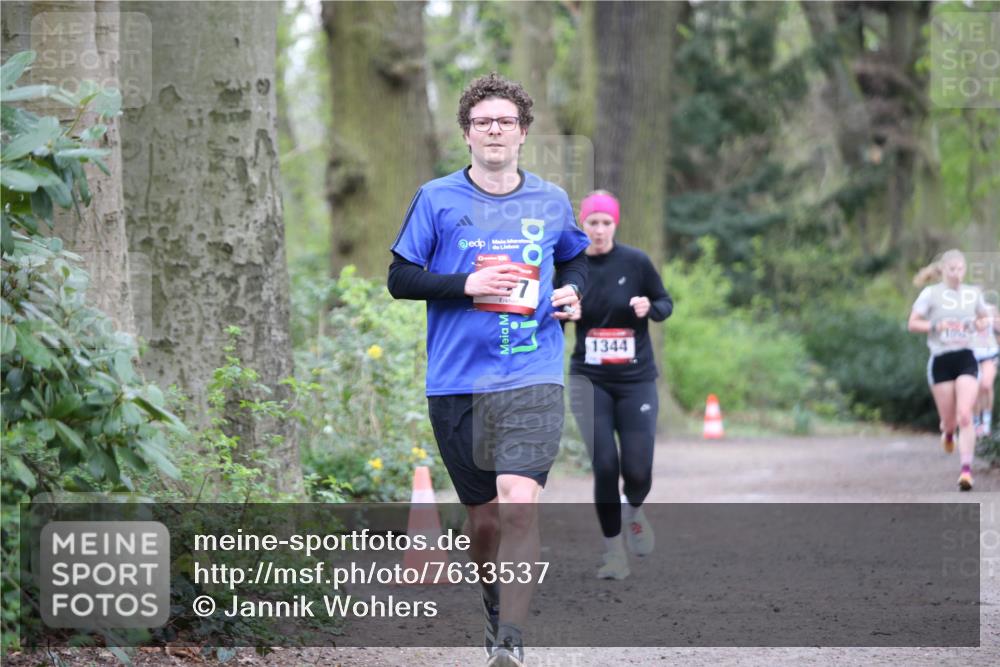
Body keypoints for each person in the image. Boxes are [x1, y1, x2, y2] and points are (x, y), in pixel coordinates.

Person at [387, 72, 589, 667]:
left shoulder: (550, 200)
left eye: (505, 121)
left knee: (519, 501)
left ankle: (513, 640)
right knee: (486, 520)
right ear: (467, 134)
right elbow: (400, 279)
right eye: (482, 122)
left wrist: (574, 294)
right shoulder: (436, 198)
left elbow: (576, 261)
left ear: (523, 133)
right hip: (457, 381)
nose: (494, 130)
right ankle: (494, 604)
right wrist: (467, 284)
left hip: (532, 371)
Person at [566, 190, 672, 579]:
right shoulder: (572, 266)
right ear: (583, 223)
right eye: (592, 222)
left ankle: (635, 509)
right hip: (590, 379)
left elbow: (665, 302)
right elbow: (552, 316)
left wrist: (650, 308)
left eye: (605, 223)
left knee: (638, 470)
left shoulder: (636, 262)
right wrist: (567, 312)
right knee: (605, 466)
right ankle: (614, 554)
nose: (598, 230)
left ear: (616, 224)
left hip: (636, 379)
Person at [908, 249, 991, 491]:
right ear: (943, 270)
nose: (956, 274)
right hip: (941, 360)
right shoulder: (930, 294)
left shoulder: (972, 294)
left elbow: (985, 319)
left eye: (960, 269)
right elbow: (912, 323)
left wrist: (979, 323)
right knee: (950, 421)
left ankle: (966, 471)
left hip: (966, 356)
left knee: (965, 415)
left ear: (965, 270)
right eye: (951, 269)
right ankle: (947, 432)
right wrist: (936, 325)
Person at [972, 304, 998, 438]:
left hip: (989, 357)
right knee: (975, 390)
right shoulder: (970, 319)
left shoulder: (992, 318)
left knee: (986, 385)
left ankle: (986, 422)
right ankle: (976, 422)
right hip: (972, 358)